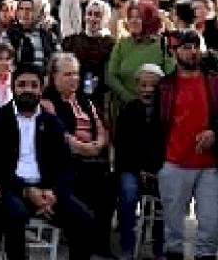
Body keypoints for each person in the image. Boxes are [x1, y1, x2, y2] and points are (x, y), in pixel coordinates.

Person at [0, 64, 95, 260]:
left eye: (34, 85)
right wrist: (26, 190)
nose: (28, 90)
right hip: (10, 188)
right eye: (22, 85)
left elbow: (66, 167)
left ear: (41, 89)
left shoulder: (52, 123)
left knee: (85, 219)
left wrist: (53, 192)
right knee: (16, 214)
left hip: (47, 191)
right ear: (13, 87)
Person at [40, 52, 114, 258]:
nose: (74, 79)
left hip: (92, 158)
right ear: (54, 77)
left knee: (109, 185)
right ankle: (81, 236)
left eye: (76, 74)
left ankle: (100, 242)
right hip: (68, 161)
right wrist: (83, 148)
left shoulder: (86, 101)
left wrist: (98, 145)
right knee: (84, 182)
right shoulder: (47, 102)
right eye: (67, 74)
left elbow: (101, 128)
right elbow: (60, 135)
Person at [156, 30, 218, 260]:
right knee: (173, 231)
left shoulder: (214, 81)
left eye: (195, 47)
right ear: (174, 52)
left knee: (211, 226)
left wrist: (214, 132)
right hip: (174, 163)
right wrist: (157, 163)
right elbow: (154, 126)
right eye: (186, 47)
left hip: (209, 165)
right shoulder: (164, 86)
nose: (193, 52)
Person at [114, 63, 165, 260]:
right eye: (143, 85)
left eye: (153, 86)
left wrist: (156, 170)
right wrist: (140, 170)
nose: (148, 90)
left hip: (160, 168)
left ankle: (160, 248)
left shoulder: (167, 112)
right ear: (136, 86)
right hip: (132, 168)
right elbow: (122, 148)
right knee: (128, 192)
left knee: (170, 193)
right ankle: (128, 245)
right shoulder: (128, 111)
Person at [107, 0, 175, 115]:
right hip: (126, 109)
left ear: (149, 20)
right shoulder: (122, 44)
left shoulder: (163, 45)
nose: (133, 21)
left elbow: (171, 76)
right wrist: (130, 99)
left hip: (156, 110)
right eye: (130, 17)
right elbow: (111, 76)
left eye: (138, 17)